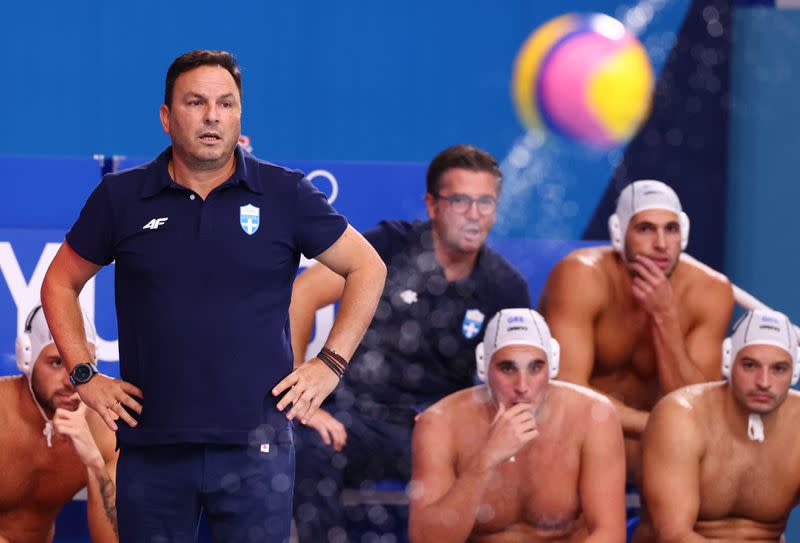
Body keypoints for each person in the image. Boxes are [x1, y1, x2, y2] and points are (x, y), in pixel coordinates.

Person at [40, 49, 386, 543]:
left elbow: (368, 266)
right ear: (166, 116)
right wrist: (84, 374)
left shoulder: (284, 193)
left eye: (226, 104)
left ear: (239, 114)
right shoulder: (121, 197)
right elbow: (60, 280)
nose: (211, 117)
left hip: (258, 452)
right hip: (152, 448)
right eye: (196, 102)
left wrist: (329, 363)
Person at [291, 144, 531, 541]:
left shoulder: (505, 287)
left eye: (485, 202)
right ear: (432, 205)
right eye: (461, 201)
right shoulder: (391, 247)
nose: (474, 215)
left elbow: (525, 378)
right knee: (304, 446)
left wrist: (473, 428)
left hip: (439, 430)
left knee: (508, 463)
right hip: (357, 420)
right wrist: (304, 397)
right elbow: (302, 295)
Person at [538, 179, 734, 482]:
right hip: (584, 435)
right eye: (645, 229)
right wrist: (657, 425)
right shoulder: (581, 276)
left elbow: (698, 407)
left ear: (684, 234)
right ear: (619, 233)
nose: (661, 243)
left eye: (671, 229)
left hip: (660, 447)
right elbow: (567, 391)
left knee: (714, 462)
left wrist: (665, 318)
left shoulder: (710, 291)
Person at [409, 308, 626, 543]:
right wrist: (486, 460)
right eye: (507, 368)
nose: (522, 386)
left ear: (551, 366)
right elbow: (425, 540)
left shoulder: (593, 416)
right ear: (484, 366)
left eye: (535, 367)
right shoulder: (441, 424)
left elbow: (609, 534)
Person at [638, 308, 800, 543]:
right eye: (750, 365)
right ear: (728, 362)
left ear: (794, 372)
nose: (764, 382)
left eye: (778, 369)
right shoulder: (682, 416)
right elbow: (674, 536)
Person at [0, 305, 118, 543]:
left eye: (84, 367)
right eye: (56, 363)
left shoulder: (104, 424)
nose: (71, 380)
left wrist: (94, 463)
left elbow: (112, 540)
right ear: (27, 359)